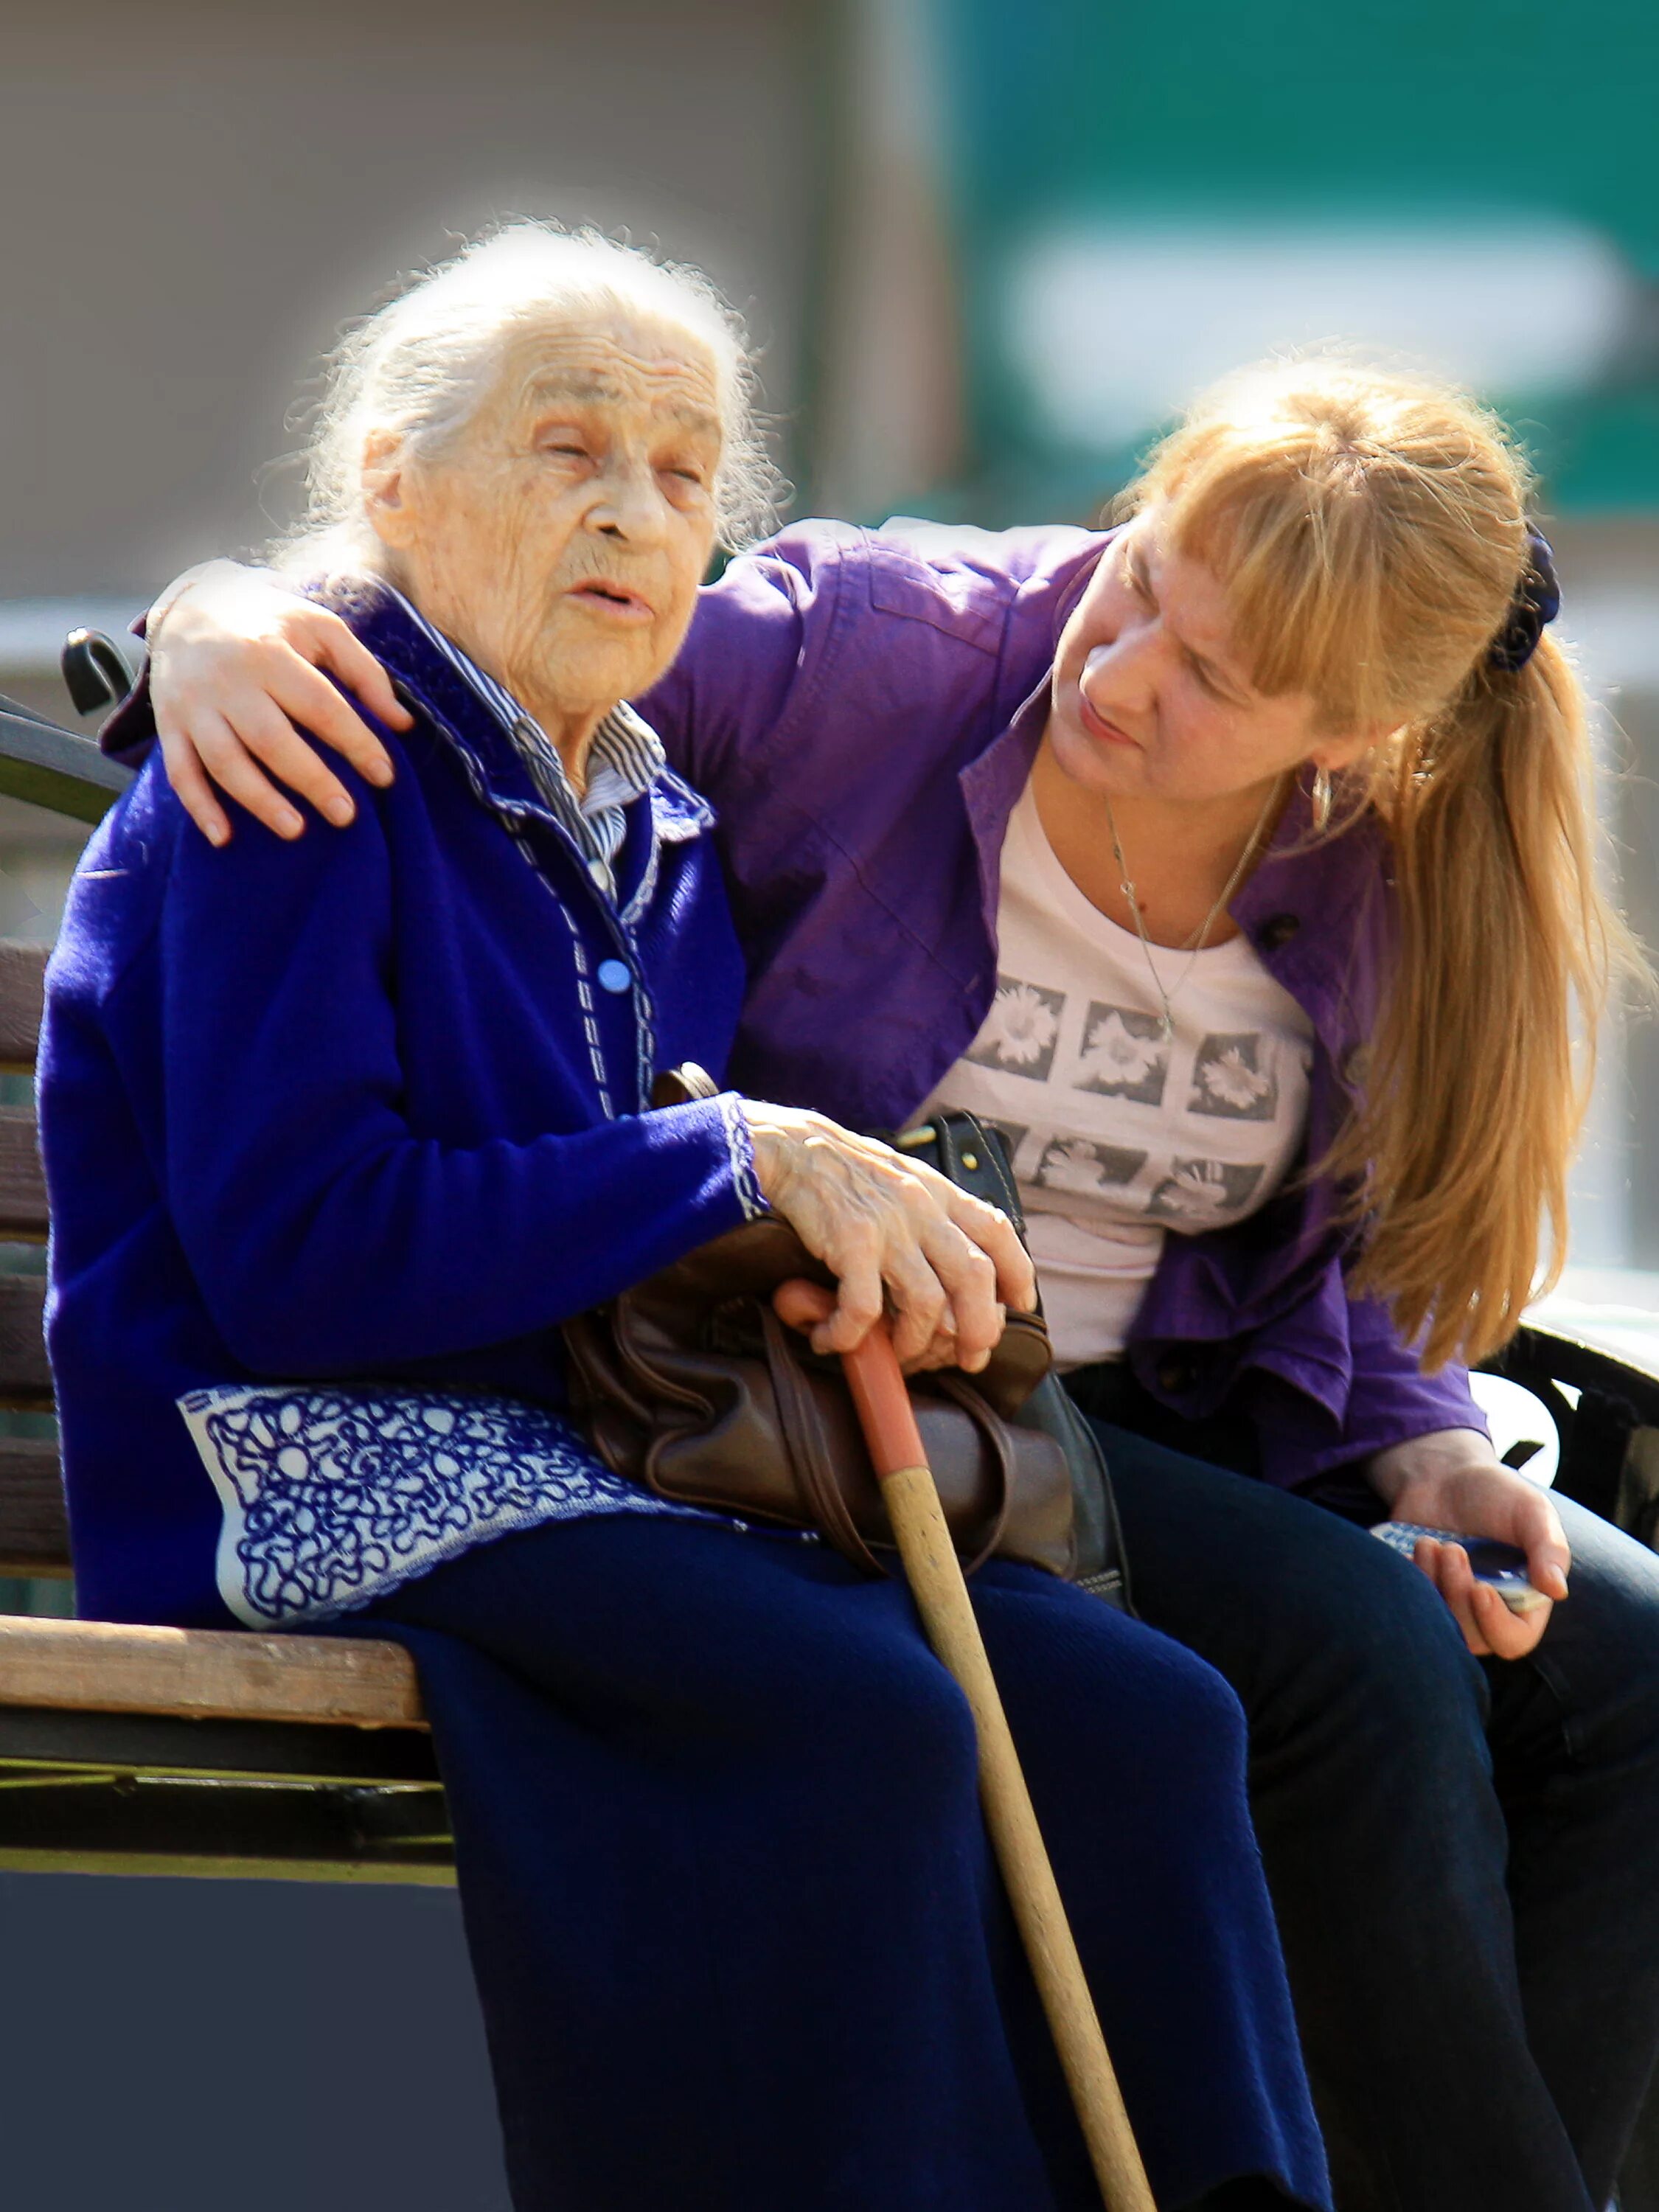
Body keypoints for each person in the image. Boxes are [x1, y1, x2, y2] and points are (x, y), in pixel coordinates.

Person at [128, 243, 1659, 2212]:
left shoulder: (1387, 860)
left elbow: (1351, 1251)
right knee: (1345, 1652)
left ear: (1345, 746)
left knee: (1621, 1676)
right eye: (1136, 594)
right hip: (879, 1398)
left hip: (1187, 1418)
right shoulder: (874, 651)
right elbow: (488, 629)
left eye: (1210, 684)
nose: (1118, 678)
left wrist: (1426, 1438)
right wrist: (213, 615)